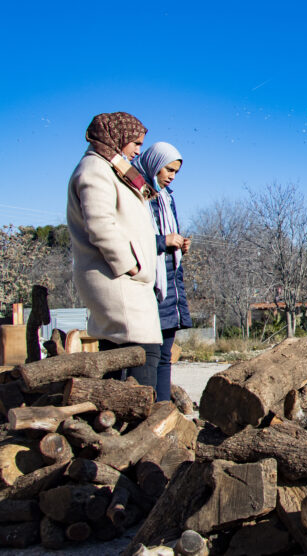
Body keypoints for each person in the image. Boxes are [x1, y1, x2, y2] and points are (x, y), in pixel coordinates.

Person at [66, 112, 162, 387]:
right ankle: (138, 423)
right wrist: (130, 265)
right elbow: (100, 226)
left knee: (120, 356)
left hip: (124, 280)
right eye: (136, 143)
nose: (138, 151)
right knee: (143, 354)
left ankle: (117, 424)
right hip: (117, 279)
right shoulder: (94, 170)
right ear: (117, 138)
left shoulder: (111, 168)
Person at [133, 142, 192, 403]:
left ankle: (163, 409)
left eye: (176, 172)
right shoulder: (135, 194)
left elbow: (167, 236)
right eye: (168, 169)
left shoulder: (168, 198)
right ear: (154, 164)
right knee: (147, 357)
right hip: (146, 286)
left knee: (165, 356)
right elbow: (130, 239)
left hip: (170, 285)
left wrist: (178, 245)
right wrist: (163, 242)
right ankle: (144, 410)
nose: (171, 176)